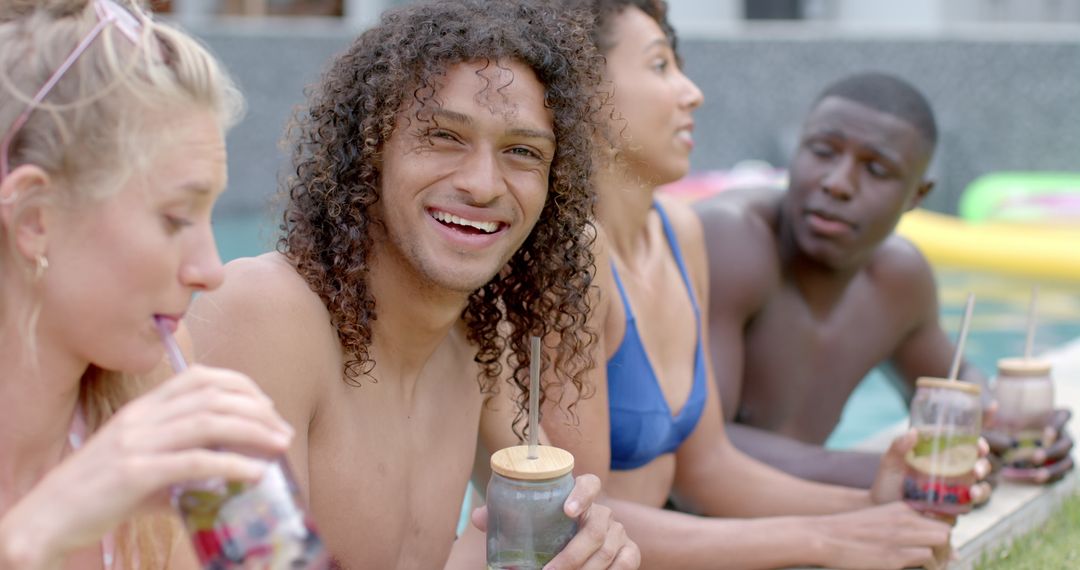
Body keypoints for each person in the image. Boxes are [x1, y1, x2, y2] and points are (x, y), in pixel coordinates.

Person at [186, 1, 639, 568]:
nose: (482, 184)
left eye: (522, 152)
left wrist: (589, 545)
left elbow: (555, 518)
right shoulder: (259, 313)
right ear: (369, 149)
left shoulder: (480, 345)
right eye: (445, 136)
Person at [539, 1, 968, 569]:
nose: (693, 93)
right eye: (661, 66)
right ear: (584, 86)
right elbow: (575, 520)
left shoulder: (678, 233)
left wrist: (867, 505)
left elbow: (708, 468)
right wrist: (828, 540)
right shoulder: (569, 255)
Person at [0, 1, 295, 568]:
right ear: (38, 218)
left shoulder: (152, 386)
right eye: (175, 218)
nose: (210, 269)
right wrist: (34, 538)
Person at [694, 72, 1074, 488]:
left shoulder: (898, 280)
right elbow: (696, 444)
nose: (837, 183)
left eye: (876, 169)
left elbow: (955, 378)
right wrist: (890, 470)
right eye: (822, 151)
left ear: (917, 196)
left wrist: (1001, 427)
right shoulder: (730, 240)